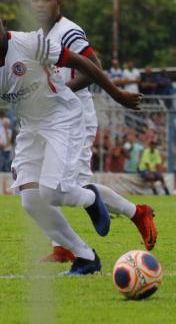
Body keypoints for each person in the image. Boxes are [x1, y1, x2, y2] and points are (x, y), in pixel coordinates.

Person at [0, 18, 142, 275]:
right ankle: (86, 258)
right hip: (30, 126)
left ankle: (91, 198)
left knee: (53, 194)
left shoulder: (30, 43)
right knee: (31, 201)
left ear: (3, 24)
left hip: (61, 117)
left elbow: (85, 63)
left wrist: (117, 95)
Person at [29, 0, 157, 264]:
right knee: (43, 183)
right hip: (51, 119)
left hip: (75, 117)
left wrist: (57, 93)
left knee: (73, 184)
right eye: (35, 0)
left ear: (58, 3)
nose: (40, 5)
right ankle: (62, 246)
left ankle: (138, 213)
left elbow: (93, 69)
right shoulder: (37, 36)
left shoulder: (69, 31)